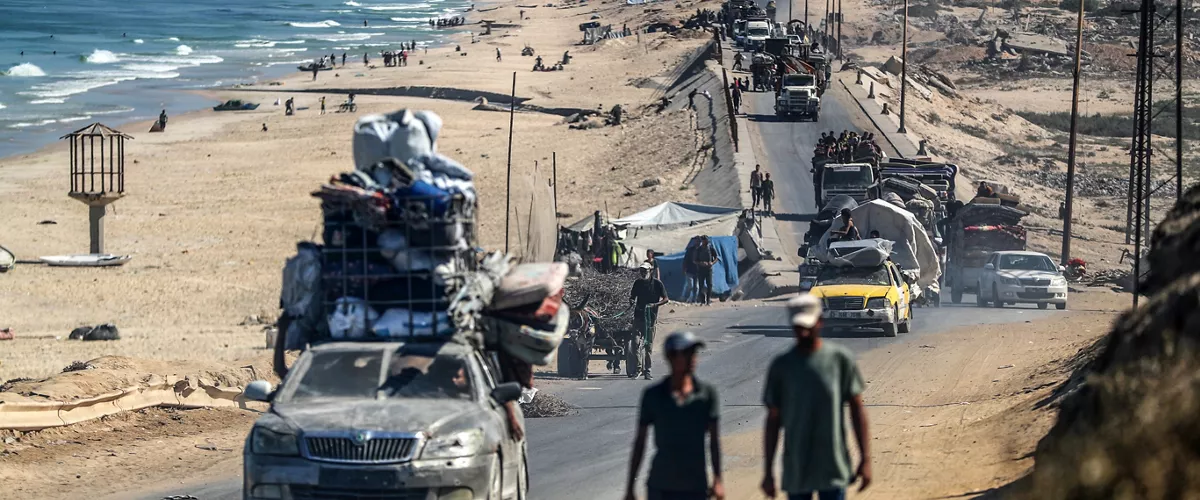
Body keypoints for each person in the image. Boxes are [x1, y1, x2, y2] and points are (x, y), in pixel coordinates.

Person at [761, 294, 872, 500]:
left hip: (833, 466)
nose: (802, 333)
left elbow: (857, 410)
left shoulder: (839, 360)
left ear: (820, 322)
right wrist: (768, 472)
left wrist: (865, 459)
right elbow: (773, 420)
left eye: (807, 327)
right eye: (797, 328)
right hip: (797, 469)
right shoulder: (782, 367)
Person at [625, 331, 725, 500]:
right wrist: (630, 488)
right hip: (661, 486)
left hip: (696, 486)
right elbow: (640, 443)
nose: (693, 359)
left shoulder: (706, 394)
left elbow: (714, 442)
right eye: (687, 354)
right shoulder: (653, 396)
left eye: (694, 354)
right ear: (671, 357)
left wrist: (718, 479)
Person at [629, 262, 668, 380]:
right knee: (635, 344)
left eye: (645, 271)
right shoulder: (638, 283)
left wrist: (655, 305)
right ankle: (638, 369)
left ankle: (648, 370)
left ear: (650, 271)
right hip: (638, 317)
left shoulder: (657, 284)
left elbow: (666, 299)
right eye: (641, 270)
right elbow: (632, 296)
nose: (643, 273)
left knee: (648, 347)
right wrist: (631, 301)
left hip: (651, 319)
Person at [692, 236, 718, 305]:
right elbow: (694, 260)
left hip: (709, 269)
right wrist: (701, 263)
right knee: (701, 285)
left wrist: (712, 263)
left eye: (706, 240)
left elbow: (716, 257)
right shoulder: (699, 249)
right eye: (704, 241)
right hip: (701, 270)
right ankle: (702, 300)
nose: (705, 242)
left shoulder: (710, 248)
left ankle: (708, 300)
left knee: (710, 284)